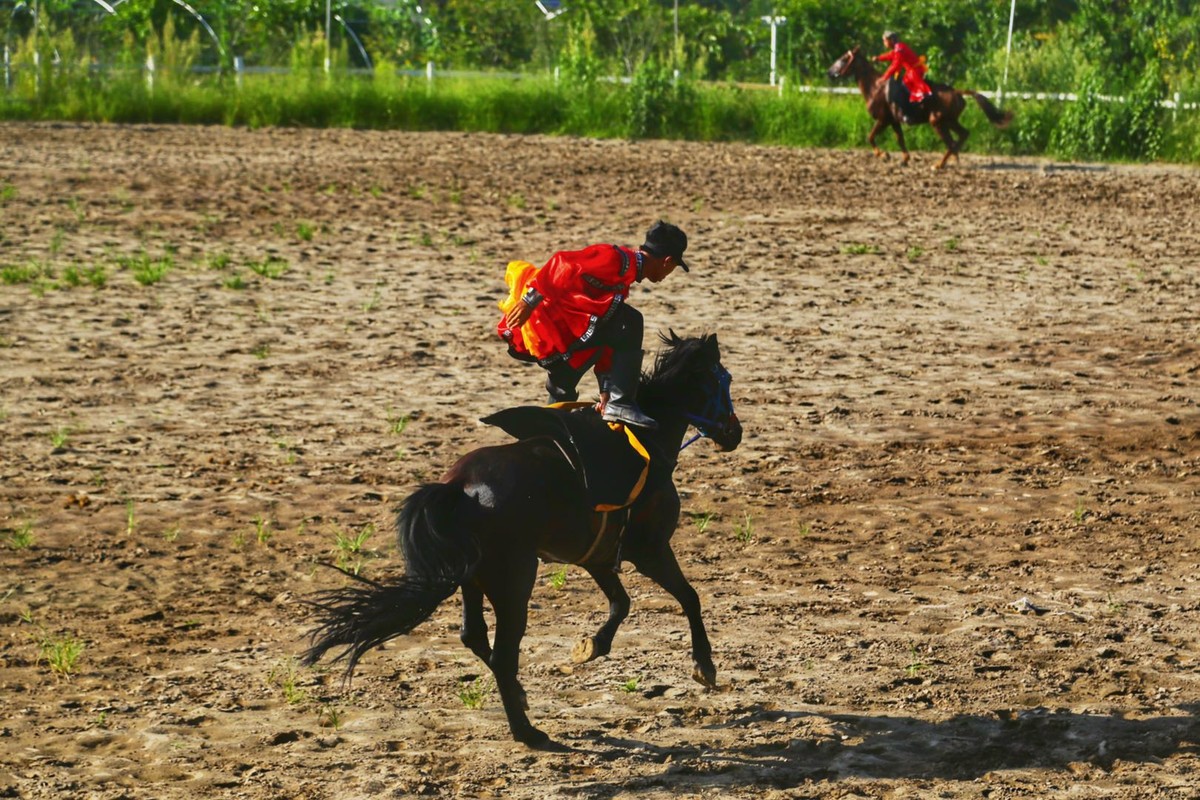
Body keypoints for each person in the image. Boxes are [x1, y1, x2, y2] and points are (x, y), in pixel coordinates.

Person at [497, 221, 690, 429]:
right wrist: (529, 301)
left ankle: (547, 433)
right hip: (552, 325)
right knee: (632, 320)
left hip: (559, 332)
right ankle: (622, 404)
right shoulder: (616, 259)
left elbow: (608, 334)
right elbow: (561, 263)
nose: (668, 274)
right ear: (667, 261)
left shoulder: (625, 273)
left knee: (564, 385)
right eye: (673, 267)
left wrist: (605, 388)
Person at [876, 30, 933, 121]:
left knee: (903, 86)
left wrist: (884, 77)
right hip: (912, 70)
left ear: (891, 40)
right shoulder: (898, 48)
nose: (884, 43)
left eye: (885, 40)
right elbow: (891, 55)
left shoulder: (899, 48)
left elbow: (896, 64)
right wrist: (879, 58)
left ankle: (911, 111)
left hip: (915, 71)